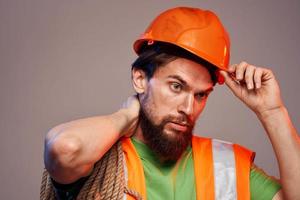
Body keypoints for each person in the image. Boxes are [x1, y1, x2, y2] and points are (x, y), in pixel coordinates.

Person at [41, 7, 300, 200]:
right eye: (177, 86)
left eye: (201, 95)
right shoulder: (99, 158)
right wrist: (126, 115)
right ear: (140, 79)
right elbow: (66, 149)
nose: (188, 108)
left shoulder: (226, 165)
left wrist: (272, 112)